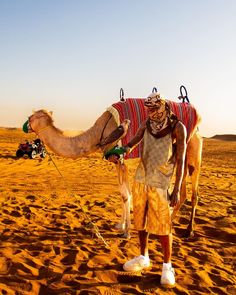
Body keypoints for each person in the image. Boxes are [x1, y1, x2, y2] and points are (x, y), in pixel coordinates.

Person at [121, 92, 187, 286]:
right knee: (141, 220)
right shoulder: (147, 123)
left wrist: (176, 188)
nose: (151, 112)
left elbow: (181, 158)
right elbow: (134, 141)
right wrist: (121, 151)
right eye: (148, 109)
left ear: (164, 107)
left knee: (163, 225)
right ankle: (143, 257)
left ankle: (167, 266)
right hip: (142, 178)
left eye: (154, 108)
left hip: (162, 181)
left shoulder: (177, 127)